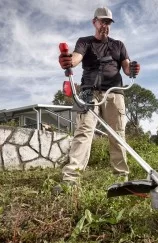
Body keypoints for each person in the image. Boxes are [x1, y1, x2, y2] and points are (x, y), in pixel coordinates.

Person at [55, 7, 140, 191]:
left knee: (117, 135)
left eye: (108, 22)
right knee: (83, 133)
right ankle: (71, 179)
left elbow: (126, 68)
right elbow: (76, 59)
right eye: (102, 21)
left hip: (114, 93)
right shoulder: (85, 42)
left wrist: (133, 69)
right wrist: (68, 60)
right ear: (94, 22)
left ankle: (122, 179)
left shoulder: (118, 45)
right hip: (89, 93)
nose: (105, 25)